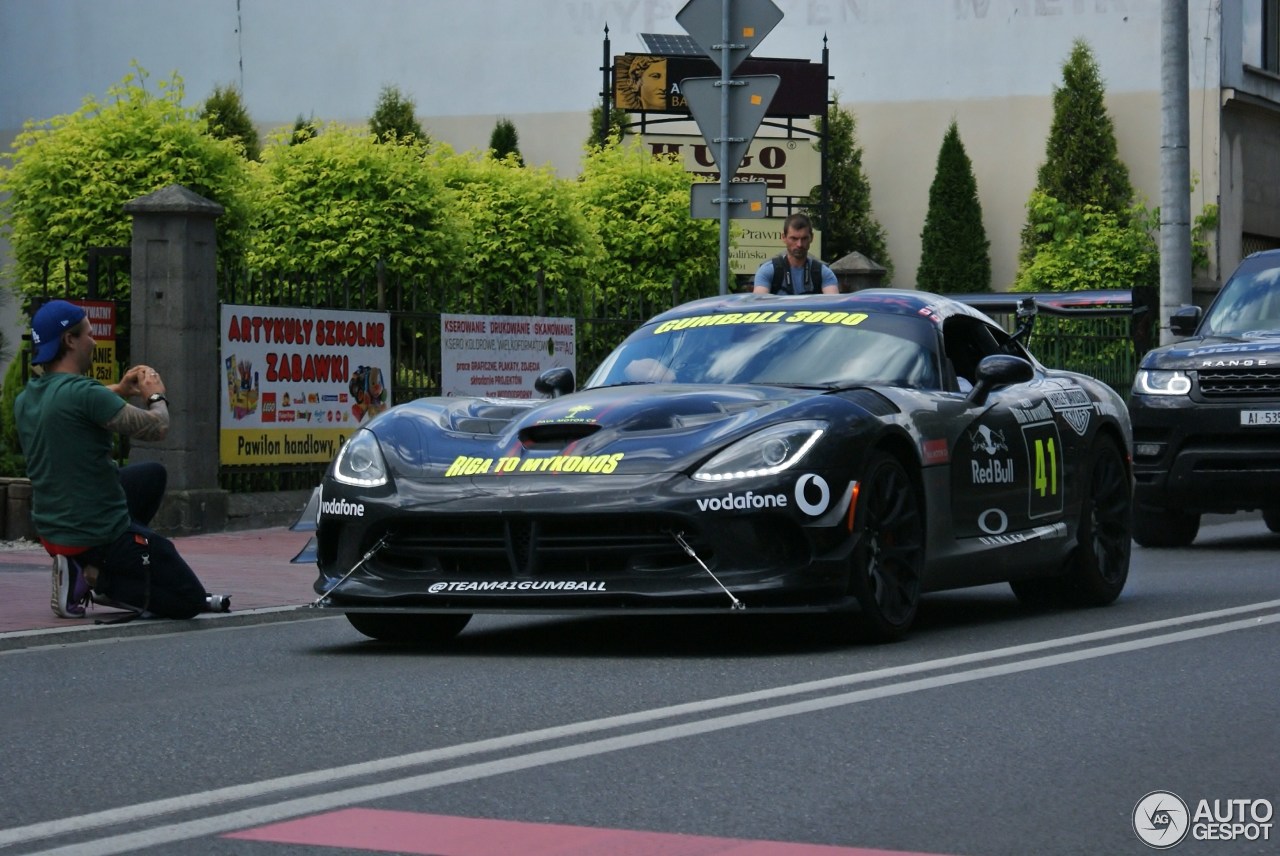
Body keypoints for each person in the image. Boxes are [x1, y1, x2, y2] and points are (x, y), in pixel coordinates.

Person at [14, 299, 230, 620]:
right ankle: (97, 578)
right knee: (188, 598)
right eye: (88, 333)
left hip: (53, 530)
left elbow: (75, 402)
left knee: (151, 475)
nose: (94, 340)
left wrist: (117, 389)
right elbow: (158, 427)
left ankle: (100, 562)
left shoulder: (28, 396)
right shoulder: (86, 393)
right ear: (69, 340)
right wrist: (155, 394)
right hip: (95, 531)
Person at [752, 213, 840, 295]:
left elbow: (833, 305)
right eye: (794, 238)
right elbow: (759, 305)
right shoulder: (768, 270)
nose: (799, 244)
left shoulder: (823, 272)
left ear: (812, 238)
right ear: (784, 237)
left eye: (804, 238)